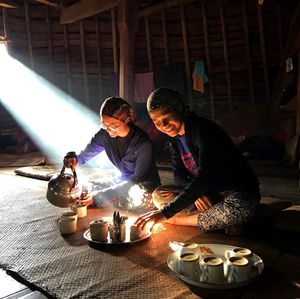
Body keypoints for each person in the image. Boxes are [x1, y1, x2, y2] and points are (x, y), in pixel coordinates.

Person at [135, 88, 261, 235]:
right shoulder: (175, 140)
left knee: (241, 207)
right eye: (156, 122)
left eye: (167, 117)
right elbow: (179, 174)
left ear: (180, 109)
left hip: (234, 192)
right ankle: (218, 221)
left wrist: (165, 214)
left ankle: (176, 220)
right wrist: (198, 194)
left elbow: (206, 175)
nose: (163, 124)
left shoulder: (203, 131)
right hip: (208, 195)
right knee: (159, 194)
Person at [64, 96, 161, 208]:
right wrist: (74, 159)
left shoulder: (142, 143)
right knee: (87, 187)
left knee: (136, 199)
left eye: (114, 126)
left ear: (127, 120)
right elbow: (84, 156)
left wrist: (100, 197)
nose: (109, 129)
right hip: (122, 180)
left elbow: (136, 180)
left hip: (142, 185)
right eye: (104, 125)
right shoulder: (104, 134)